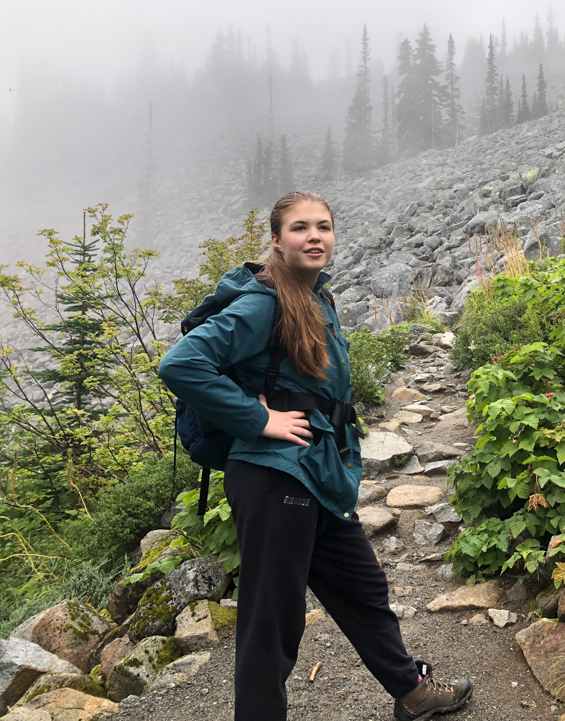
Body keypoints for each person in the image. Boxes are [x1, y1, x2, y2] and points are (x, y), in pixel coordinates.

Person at [159, 191, 472, 721]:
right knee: (272, 624)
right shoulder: (265, 301)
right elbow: (182, 364)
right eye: (300, 228)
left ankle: (413, 694)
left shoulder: (314, 296)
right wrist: (259, 419)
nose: (314, 237)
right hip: (274, 476)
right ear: (277, 239)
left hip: (317, 473)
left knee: (364, 589)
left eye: (323, 227)